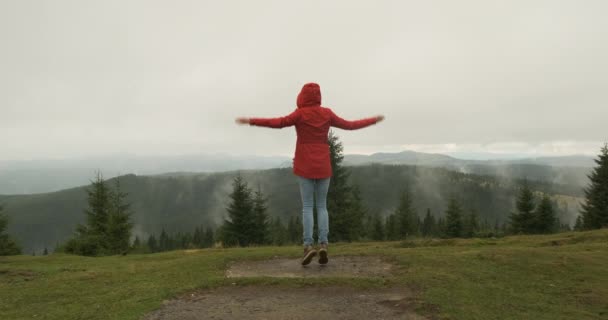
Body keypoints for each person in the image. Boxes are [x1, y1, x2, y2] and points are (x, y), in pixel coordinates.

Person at [235, 83, 384, 265]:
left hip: (305, 164)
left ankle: (308, 246)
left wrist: (251, 121)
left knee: (307, 206)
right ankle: (323, 244)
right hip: (323, 165)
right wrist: (373, 120)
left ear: (303, 96)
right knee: (322, 206)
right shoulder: (327, 113)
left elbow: (278, 123)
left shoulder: (300, 114)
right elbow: (350, 125)